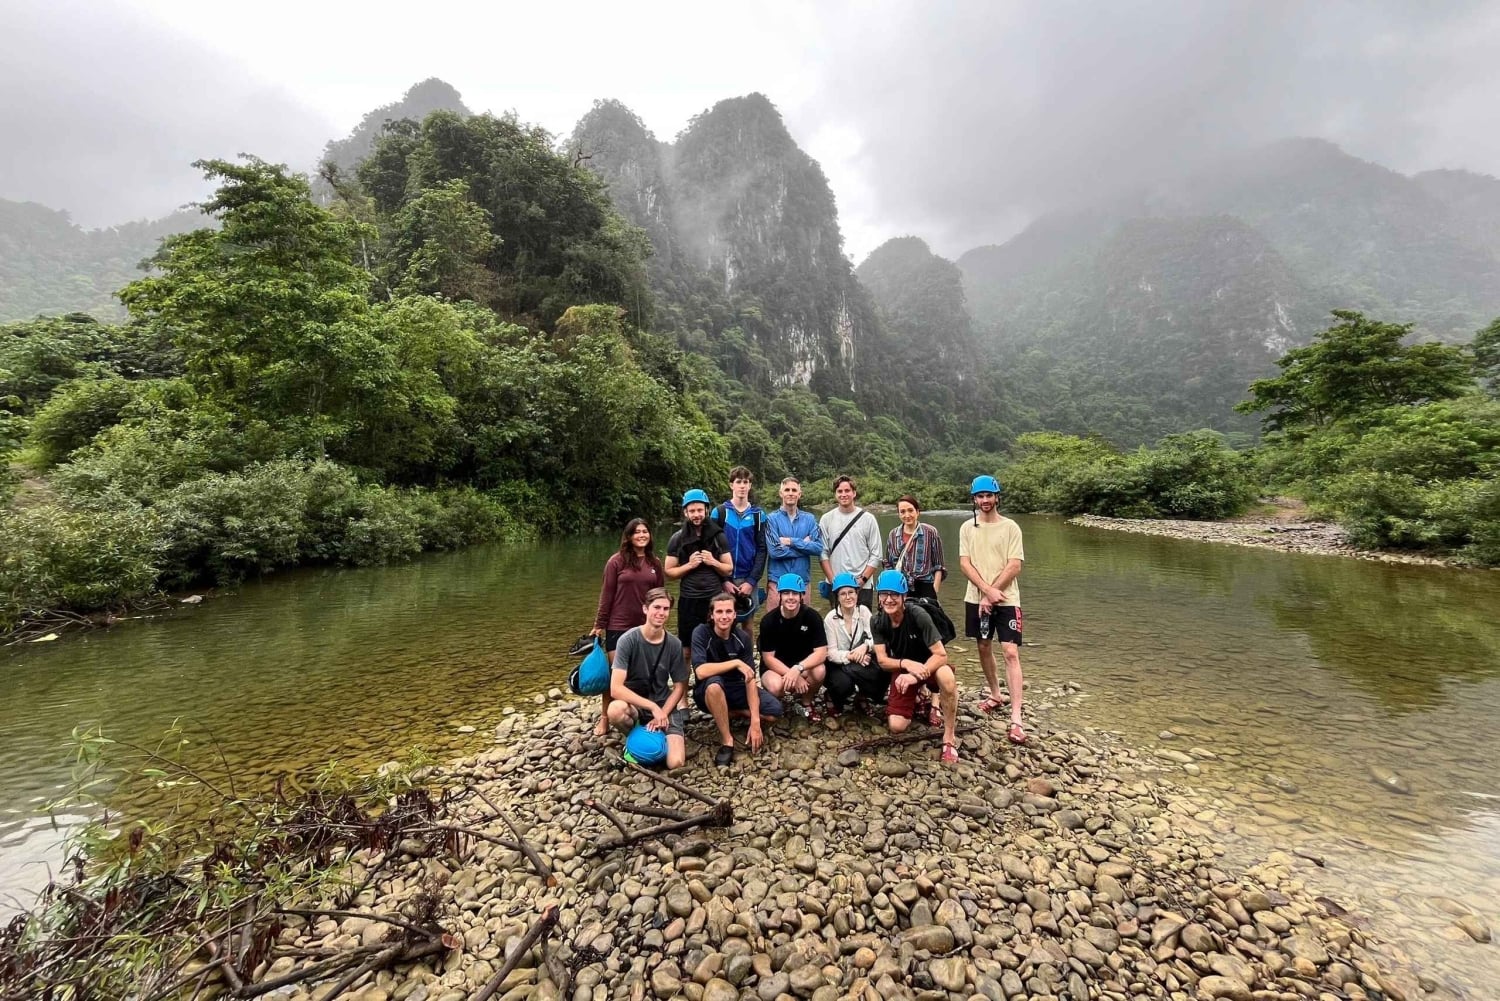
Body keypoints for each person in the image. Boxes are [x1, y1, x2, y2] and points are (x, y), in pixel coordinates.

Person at [958, 474, 1027, 745]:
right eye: (980, 496)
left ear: (997, 497)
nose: (985, 501)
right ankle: (996, 693)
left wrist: (993, 591)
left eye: (989, 495)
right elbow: (964, 563)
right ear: (974, 499)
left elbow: (1014, 565)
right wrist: (985, 591)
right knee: (983, 646)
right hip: (977, 598)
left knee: (1010, 651)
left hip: (1008, 599)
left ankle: (1017, 718)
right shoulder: (967, 528)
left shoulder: (1011, 527)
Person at [871, 570, 961, 764]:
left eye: (894, 594)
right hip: (904, 668)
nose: (888, 599)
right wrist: (906, 664)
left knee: (947, 680)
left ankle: (949, 737)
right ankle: (919, 698)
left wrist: (916, 676)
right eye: (884, 594)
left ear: (904, 597)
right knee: (897, 726)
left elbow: (941, 654)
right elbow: (883, 661)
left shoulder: (918, 615)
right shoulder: (877, 621)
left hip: (930, 663)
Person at [589, 518, 666, 736]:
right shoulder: (616, 562)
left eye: (645, 531)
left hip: (646, 627)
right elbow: (607, 594)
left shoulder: (655, 563)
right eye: (637, 532)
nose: (641, 535)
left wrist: (661, 623)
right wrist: (599, 624)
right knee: (617, 675)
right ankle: (605, 718)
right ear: (629, 536)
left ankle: (642, 713)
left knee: (643, 673)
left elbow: (660, 596)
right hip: (618, 626)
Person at [692, 593, 781, 766]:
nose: (724, 616)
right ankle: (727, 741)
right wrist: (735, 663)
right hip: (709, 689)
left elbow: (749, 679)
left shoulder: (742, 638)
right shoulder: (701, 632)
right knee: (714, 685)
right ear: (712, 615)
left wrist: (755, 720)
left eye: (728, 612)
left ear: (735, 615)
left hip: (736, 687)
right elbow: (701, 671)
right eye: (719, 612)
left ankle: (730, 713)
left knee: (774, 712)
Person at [607, 588, 689, 769]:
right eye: (656, 607)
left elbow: (678, 687)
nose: (661, 613)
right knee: (615, 710)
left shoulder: (674, 644)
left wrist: (663, 712)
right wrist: (652, 707)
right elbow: (616, 688)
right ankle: (637, 740)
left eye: (666, 609)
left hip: (664, 705)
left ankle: (654, 740)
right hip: (638, 705)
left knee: (675, 763)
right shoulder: (627, 640)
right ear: (645, 609)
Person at [665, 489, 734, 667]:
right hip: (689, 600)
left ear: (706, 510)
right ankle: (683, 693)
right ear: (685, 512)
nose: (696, 515)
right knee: (686, 649)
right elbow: (669, 572)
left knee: (715, 644)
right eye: (692, 511)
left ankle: (714, 686)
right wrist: (689, 565)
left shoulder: (718, 536)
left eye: (700, 510)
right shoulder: (677, 538)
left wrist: (713, 562)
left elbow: (728, 569)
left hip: (713, 599)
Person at [758, 573, 829, 719]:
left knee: (820, 670)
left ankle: (806, 700)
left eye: (795, 593)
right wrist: (792, 676)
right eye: (786, 593)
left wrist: (798, 669)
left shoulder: (812, 617)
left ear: (801, 596)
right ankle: (778, 701)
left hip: (803, 666)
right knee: (775, 686)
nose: (790, 597)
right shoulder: (768, 621)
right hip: (775, 668)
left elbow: (821, 653)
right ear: (780, 595)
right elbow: (768, 658)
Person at [821, 572, 886, 716]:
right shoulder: (830, 619)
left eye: (851, 592)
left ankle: (862, 697)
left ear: (857, 594)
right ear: (837, 597)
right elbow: (831, 653)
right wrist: (853, 656)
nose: (848, 597)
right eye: (843, 594)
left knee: (883, 670)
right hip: (838, 663)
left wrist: (865, 647)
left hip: (861, 659)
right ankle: (831, 696)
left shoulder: (864, 612)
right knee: (843, 685)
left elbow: (876, 640)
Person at [710, 466, 768, 616]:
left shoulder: (759, 515)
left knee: (748, 623)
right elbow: (712, 548)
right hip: (724, 576)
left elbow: (762, 550)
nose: (742, 485)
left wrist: (751, 581)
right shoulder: (720, 512)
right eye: (738, 481)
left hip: (748, 578)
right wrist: (724, 580)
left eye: (745, 482)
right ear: (731, 485)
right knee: (724, 621)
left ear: (750, 485)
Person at [820, 475, 882, 608]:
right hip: (836, 585)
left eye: (847, 490)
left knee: (863, 624)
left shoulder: (868, 519)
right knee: (837, 624)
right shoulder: (826, 519)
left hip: (863, 585)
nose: (844, 494)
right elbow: (823, 553)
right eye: (840, 491)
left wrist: (862, 580)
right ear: (835, 494)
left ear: (854, 493)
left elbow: (876, 554)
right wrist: (833, 580)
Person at [765, 477, 821, 604]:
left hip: (802, 581)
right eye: (787, 490)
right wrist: (804, 546)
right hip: (777, 581)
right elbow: (775, 552)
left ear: (799, 494)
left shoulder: (810, 519)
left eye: (794, 490)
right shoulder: (771, 519)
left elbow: (818, 548)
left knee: (803, 623)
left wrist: (791, 542)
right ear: (781, 493)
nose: (790, 493)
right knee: (774, 623)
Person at [884, 495, 946, 600]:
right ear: (898, 514)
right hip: (900, 588)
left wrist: (934, 590)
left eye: (910, 510)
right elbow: (888, 565)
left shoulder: (930, 532)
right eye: (902, 512)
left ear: (917, 512)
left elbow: (939, 565)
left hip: (925, 587)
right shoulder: (893, 535)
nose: (907, 515)